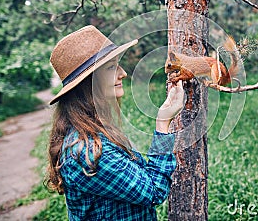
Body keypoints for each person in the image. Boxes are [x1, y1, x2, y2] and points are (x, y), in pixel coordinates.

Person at [46, 25, 184, 220]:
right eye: (111, 67)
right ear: (89, 82)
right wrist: (163, 122)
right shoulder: (88, 152)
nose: (123, 73)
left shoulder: (95, 130)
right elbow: (153, 191)